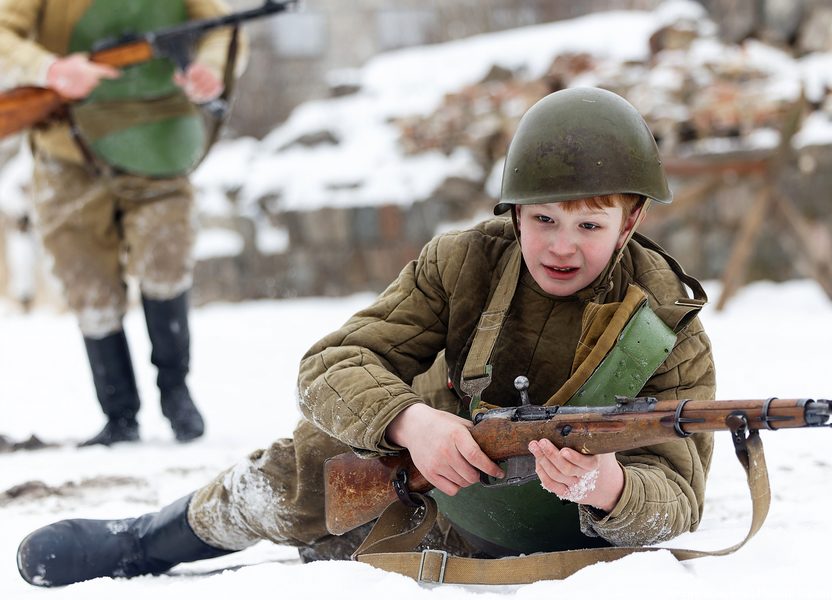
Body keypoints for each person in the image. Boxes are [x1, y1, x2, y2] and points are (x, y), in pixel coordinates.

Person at [16, 87, 716, 587]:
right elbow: (330, 365)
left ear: (629, 224)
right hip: (413, 488)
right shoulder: (464, 262)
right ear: (514, 212)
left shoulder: (666, 329)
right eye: (543, 222)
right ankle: (148, 541)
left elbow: (679, 496)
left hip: (542, 532)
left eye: (589, 227)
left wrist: (610, 486)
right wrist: (414, 426)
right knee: (296, 475)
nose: (562, 247)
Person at [0, 0, 247, 446]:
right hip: (67, 149)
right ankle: (119, 414)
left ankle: (176, 394)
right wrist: (50, 69)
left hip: (158, 138)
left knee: (165, 257)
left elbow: (223, 29)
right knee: (86, 281)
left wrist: (210, 67)